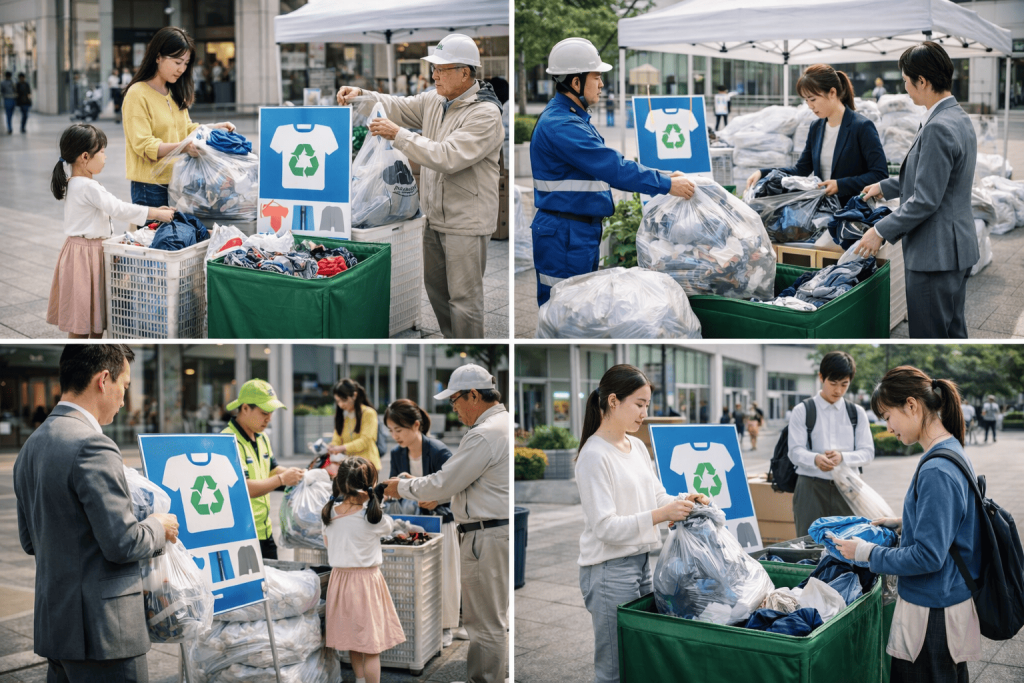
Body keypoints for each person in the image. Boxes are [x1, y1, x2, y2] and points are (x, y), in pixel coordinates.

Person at [14, 344, 179, 683]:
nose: (123, 399)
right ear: (104, 380)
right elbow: (123, 543)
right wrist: (158, 525)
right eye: (125, 386)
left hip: (56, 626)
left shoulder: (31, 445)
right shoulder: (93, 444)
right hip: (104, 632)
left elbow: (31, 541)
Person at [336, 34, 503, 339]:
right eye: (434, 69)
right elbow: (397, 105)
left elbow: (448, 156)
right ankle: (452, 341)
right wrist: (360, 95)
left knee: (465, 300)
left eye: (441, 68)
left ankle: (465, 346)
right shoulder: (435, 100)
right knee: (437, 291)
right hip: (434, 216)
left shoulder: (485, 114)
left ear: (464, 73)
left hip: (467, 220)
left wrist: (398, 135)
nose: (434, 75)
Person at [833, 366, 981, 683]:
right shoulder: (950, 449)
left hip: (931, 615)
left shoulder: (936, 469)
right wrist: (903, 521)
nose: (887, 428)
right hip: (945, 603)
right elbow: (952, 517)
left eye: (887, 417)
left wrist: (866, 552)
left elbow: (928, 556)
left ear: (911, 405)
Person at [528, 37, 695, 306]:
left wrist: (663, 175)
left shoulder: (571, 118)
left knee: (578, 308)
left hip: (573, 231)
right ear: (575, 82)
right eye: (597, 77)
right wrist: (665, 184)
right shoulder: (563, 125)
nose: (602, 84)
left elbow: (609, 164)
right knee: (565, 309)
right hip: (565, 234)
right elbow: (614, 168)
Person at [573, 364, 708, 683]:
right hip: (606, 572)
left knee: (639, 656)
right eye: (639, 404)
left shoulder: (634, 446)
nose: (644, 412)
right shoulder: (594, 456)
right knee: (614, 668)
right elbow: (605, 527)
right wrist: (663, 515)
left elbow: (656, 495)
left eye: (647, 405)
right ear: (613, 401)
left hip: (639, 565)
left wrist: (683, 501)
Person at [382, 364, 509, 683]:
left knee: (486, 623)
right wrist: (421, 484)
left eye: (455, 401)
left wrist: (401, 486)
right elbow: (453, 481)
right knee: (486, 620)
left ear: (474, 395)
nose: (454, 409)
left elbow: (444, 483)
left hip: (485, 534)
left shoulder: (484, 433)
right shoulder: (499, 425)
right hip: (490, 530)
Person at [855, 42, 978, 338]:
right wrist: (885, 186)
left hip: (934, 254)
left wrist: (880, 231)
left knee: (930, 335)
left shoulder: (937, 127)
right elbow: (938, 179)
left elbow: (925, 199)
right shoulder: (958, 117)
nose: (906, 89)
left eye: (907, 81)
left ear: (922, 81)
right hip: (954, 247)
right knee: (952, 331)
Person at [47, 124, 174, 338]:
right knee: (90, 319)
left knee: (85, 318)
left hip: (79, 251)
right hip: (87, 254)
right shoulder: (88, 187)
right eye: (102, 151)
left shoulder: (74, 183)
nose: (105, 157)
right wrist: (155, 213)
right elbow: (118, 208)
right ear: (85, 157)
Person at [121, 27, 235, 208]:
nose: (182, 69)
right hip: (150, 186)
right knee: (157, 237)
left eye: (186, 63)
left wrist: (214, 128)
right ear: (158, 57)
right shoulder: (137, 94)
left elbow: (186, 129)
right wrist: (184, 147)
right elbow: (144, 145)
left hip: (179, 182)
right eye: (177, 62)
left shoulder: (174, 92)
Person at [745, 64, 887, 208]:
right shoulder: (816, 128)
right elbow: (800, 170)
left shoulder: (861, 126)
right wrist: (763, 173)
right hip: (823, 210)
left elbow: (880, 174)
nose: (810, 106)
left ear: (832, 92)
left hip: (854, 212)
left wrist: (840, 185)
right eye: (806, 100)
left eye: (812, 99)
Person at [385, 398, 461, 647]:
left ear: (416, 425)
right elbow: (395, 488)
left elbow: (458, 486)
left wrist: (437, 498)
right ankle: (424, 624)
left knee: (445, 575)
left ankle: (447, 626)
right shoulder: (397, 454)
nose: (395, 436)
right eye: (391, 431)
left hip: (442, 520)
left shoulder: (438, 451)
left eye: (399, 430)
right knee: (420, 577)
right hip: (413, 523)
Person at [322, 457, 405, 683]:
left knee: (353, 640)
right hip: (366, 583)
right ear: (369, 486)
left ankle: (359, 679)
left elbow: (329, 544)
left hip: (340, 582)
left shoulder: (329, 514)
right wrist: (376, 500)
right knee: (371, 646)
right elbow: (389, 526)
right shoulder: (373, 518)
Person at [787, 350, 875, 537]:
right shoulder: (802, 410)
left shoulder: (857, 413)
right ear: (821, 377)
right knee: (808, 542)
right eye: (833, 383)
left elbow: (868, 452)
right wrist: (815, 459)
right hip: (810, 487)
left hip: (848, 487)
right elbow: (794, 451)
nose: (838, 390)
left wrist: (843, 457)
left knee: (849, 543)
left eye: (844, 384)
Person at [222, 379, 304, 560]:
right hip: (240, 534)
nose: (269, 418)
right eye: (264, 413)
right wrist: (282, 480)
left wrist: (299, 475)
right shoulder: (228, 440)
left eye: (271, 413)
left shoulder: (262, 437)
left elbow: (272, 469)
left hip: (264, 531)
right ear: (245, 408)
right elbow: (245, 488)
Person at [327, 378, 381, 471]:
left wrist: (341, 448)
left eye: (343, 400)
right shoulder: (343, 416)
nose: (341, 405)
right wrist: (332, 447)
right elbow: (337, 438)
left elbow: (365, 441)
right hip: (350, 468)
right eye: (338, 401)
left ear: (354, 395)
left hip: (367, 466)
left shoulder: (368, 413)